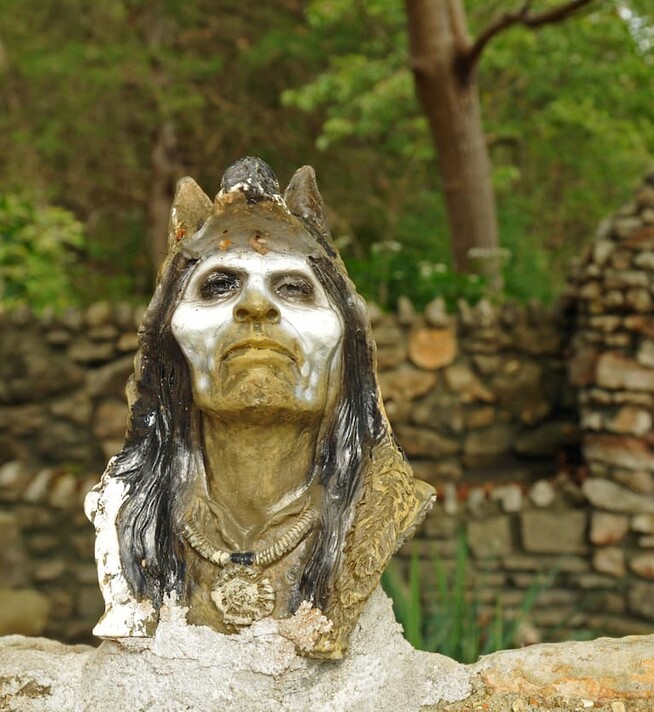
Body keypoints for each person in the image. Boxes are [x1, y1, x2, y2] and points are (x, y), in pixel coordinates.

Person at [86, 157, 434, 658]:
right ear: (166, 345)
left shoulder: (374, 510)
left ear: (350, 344)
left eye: (292, 287)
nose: (255, 307)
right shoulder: (126, 521)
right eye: (218, 284)